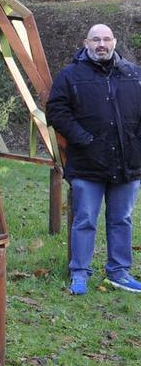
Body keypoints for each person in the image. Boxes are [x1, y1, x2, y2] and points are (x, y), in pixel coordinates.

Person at [46, 23, 141, 295]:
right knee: (85, 219)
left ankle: (119, 272)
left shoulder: (134, 75)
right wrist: (84, 139)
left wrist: (137, 144)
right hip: (87, 163)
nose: (102, 44)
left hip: (128, 163)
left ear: (114, 41)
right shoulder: (70, 76)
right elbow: (56, 111)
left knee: (122, 218)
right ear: (86, 43)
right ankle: (79, 273)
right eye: (96, 39)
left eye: (106, 39)